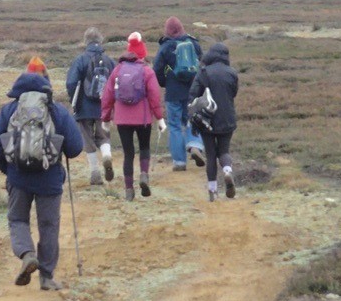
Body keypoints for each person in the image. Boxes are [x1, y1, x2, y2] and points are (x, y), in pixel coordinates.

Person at [0, 72, 83, 290]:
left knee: (18, 220)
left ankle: (27, 254)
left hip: (18, 178)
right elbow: (76, 148)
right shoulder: (56, 111)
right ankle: (47, 277)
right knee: (48, 226)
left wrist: (8, 169)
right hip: (49, 180)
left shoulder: (10, 110)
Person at [100, 32, 165, 201]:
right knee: (144, 148)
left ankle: (129, 190)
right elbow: (154, 97)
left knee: (128, 153)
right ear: (143, 53)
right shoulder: (147, 71)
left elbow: (107, 97)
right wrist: (160, 118)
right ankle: (144, 174)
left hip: (122, 120)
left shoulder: (117, 70)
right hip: (142, 119)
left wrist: (106, 119)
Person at [188, 42, 239, 202]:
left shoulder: (203, 72)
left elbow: (193, 95)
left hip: (206, 120)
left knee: (210, 155)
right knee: (224, 151)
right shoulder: (232, 73)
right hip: (227, 118)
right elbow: (234, 93)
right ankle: (227, 171)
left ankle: (212, 191)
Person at [65, 27, 116, 186]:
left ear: (85, 41)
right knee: (104, 136)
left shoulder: (80, 60)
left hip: (83, 107)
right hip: (104, 106)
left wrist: (74, 99)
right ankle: (107, 155)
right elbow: (116, 83)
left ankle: (95, 173)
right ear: (100, 41)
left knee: (87, 138)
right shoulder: (109, 60)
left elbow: (71, 82)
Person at [153, 17, 205, 171]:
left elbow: (157, 70)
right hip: (193, 91)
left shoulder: (166, 47)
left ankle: (179, 162)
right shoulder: (194, 44)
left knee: (175, 126)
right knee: (192, 120)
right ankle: (195, 145)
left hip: (174, 93)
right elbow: (203, 65)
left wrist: (166, 83)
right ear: (181, 27)